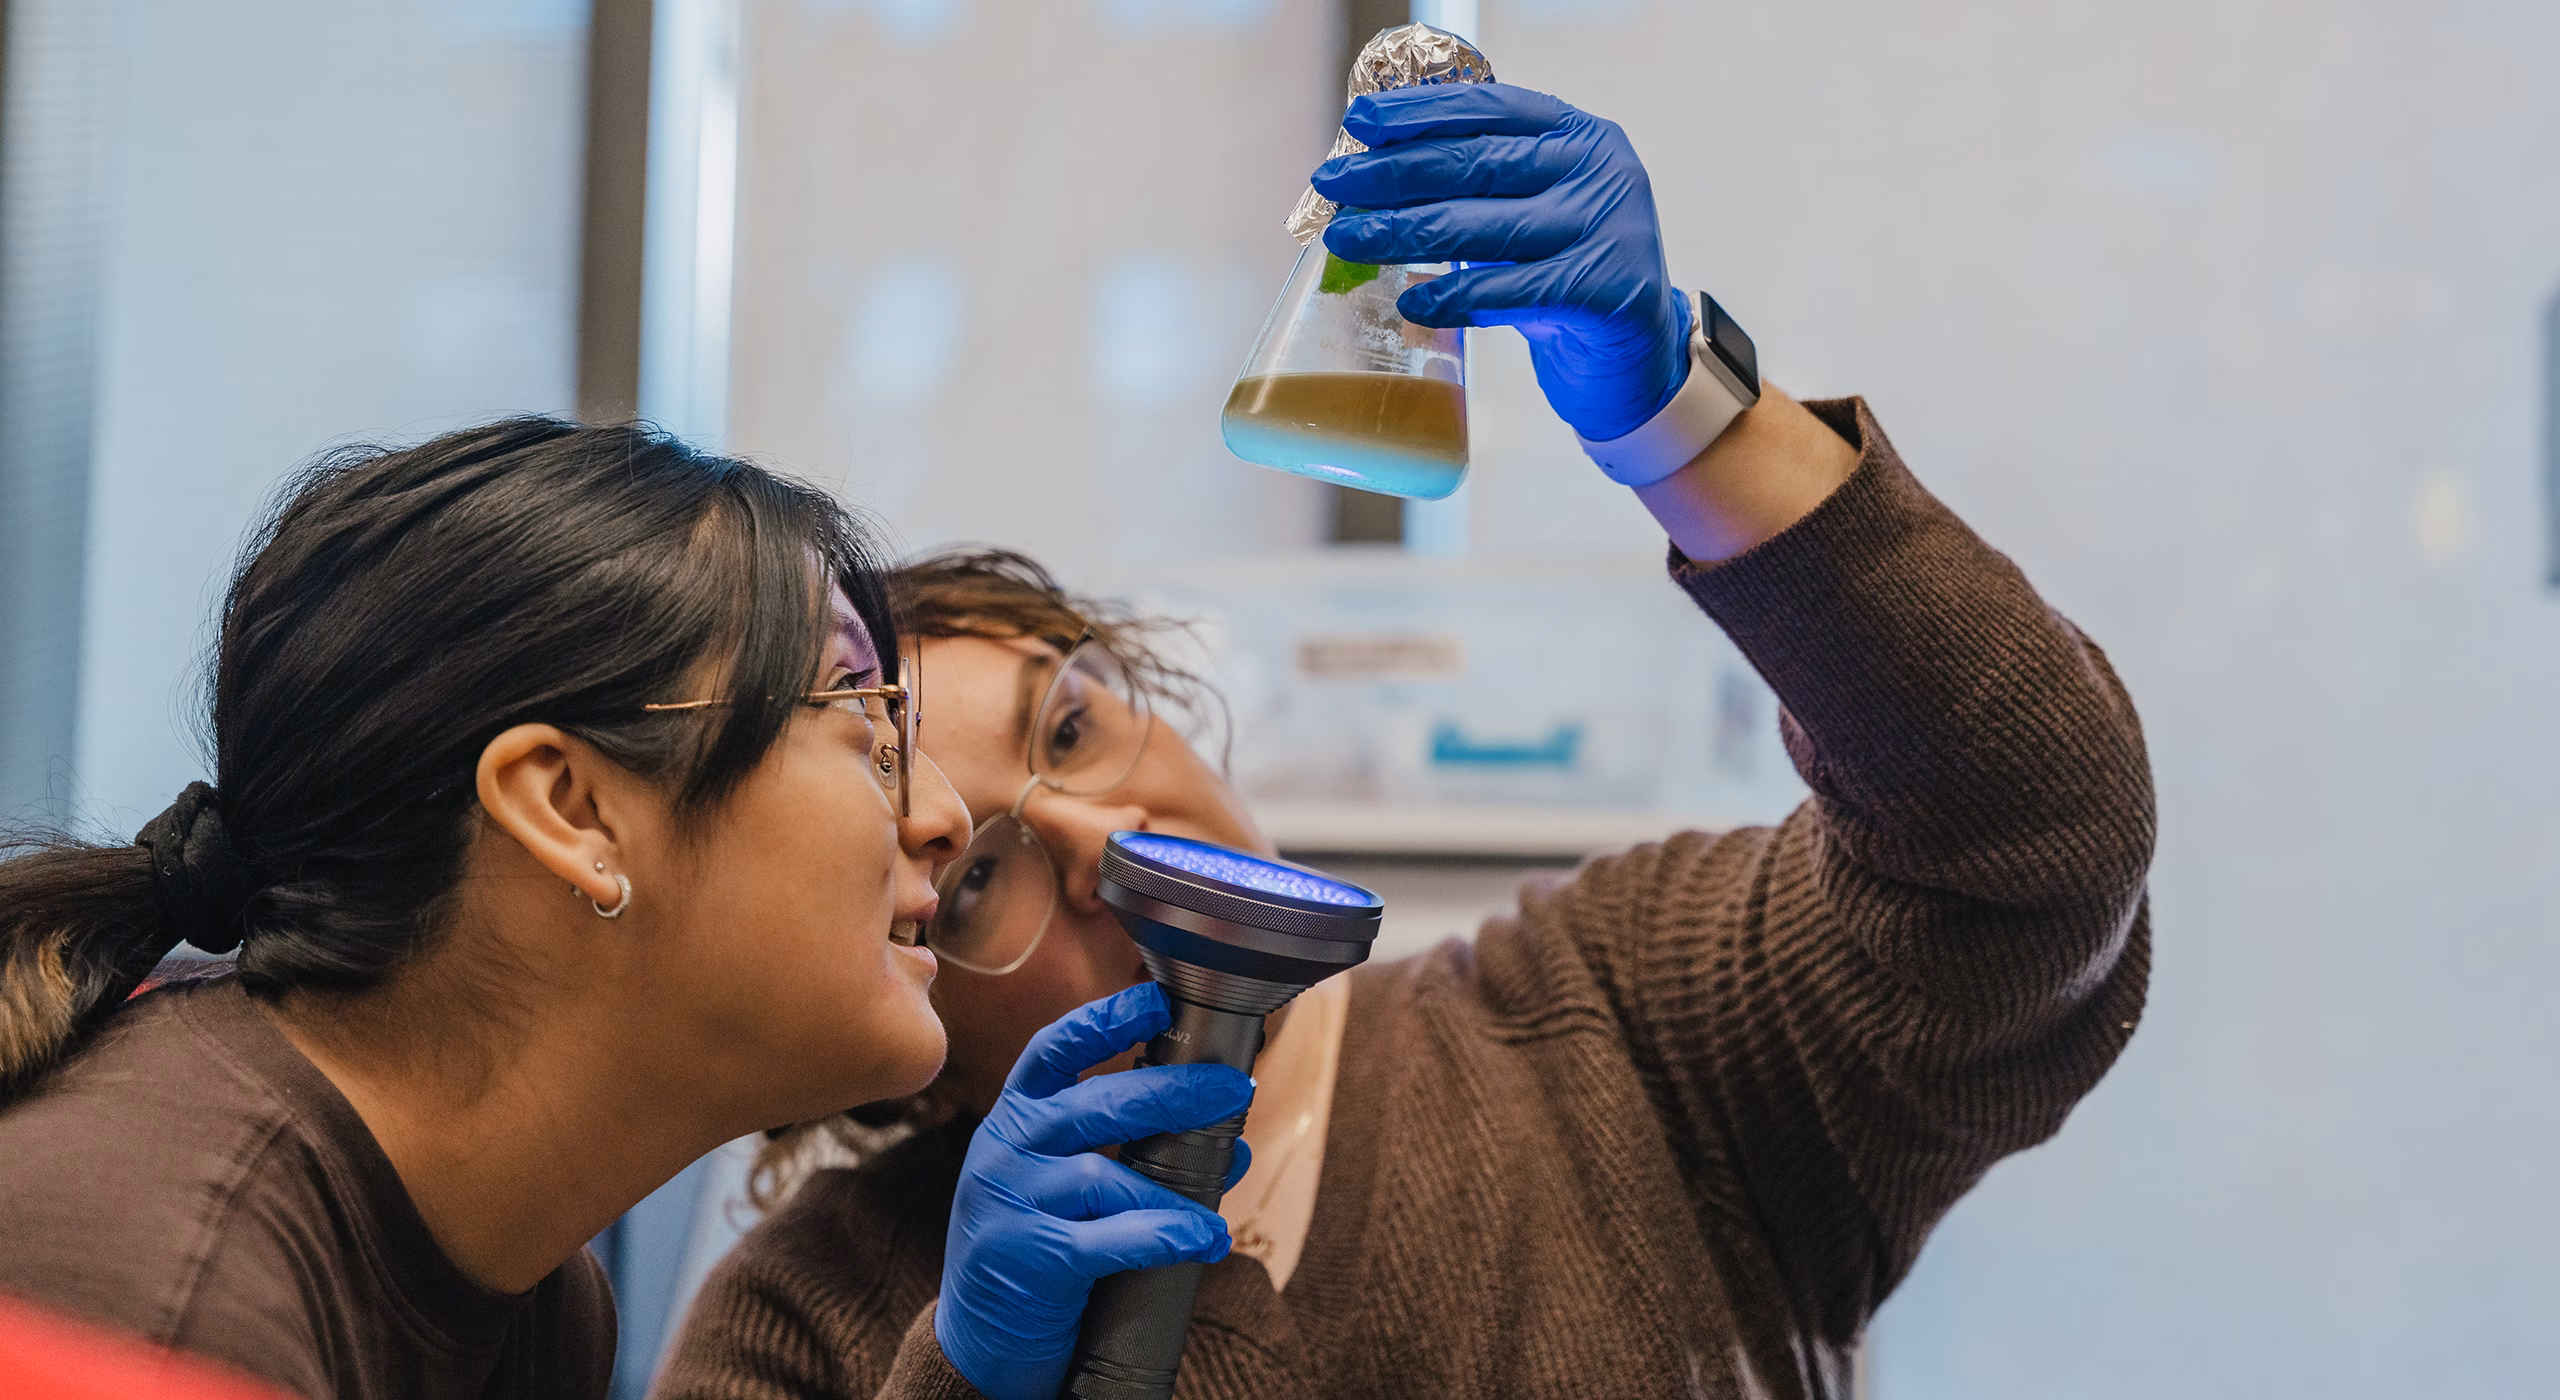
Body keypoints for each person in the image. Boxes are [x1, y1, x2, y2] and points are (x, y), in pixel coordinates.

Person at [654, 83, 2155, 1400]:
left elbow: (2030, 835)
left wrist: (1680, 418)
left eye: (1075, 726)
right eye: (980, 881)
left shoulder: (1618, 1027)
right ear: (897, 1010)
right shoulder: (818, 1318)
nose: (1115, 847)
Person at [0, 421, 1255, 1399]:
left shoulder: (531, 1281)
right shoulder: (160, 1282)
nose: (937, 816)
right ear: (571, 807)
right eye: (862, 720)